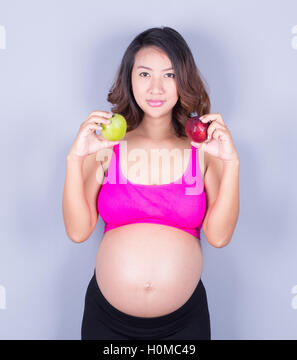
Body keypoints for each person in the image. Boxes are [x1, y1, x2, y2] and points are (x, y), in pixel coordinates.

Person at [62, 26, 240, 340]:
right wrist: (74, 160)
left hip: (184, 325)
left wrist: (232, 164)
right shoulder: (105, 146)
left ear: (183, 81)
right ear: (129, 79)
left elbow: (219, 236)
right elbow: (78, 232)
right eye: (144, 75)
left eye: (169, 75)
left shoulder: (203, 150)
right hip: (107, 323)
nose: (156, 88)